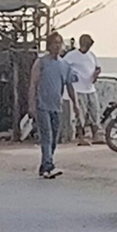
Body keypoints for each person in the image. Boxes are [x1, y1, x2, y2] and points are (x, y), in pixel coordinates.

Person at [28, 31, 80, 179]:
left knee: (54, 138)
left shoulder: (64, 65)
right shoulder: (41, 62)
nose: (57, 46)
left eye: (59, 43)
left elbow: (70, 86)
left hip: (57, 106)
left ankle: (44, 165)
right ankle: (49, 166)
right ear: (49, 45)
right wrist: (31, 104)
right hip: (42, 105)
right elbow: (33, 84)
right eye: (54, 43)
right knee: (47, 136)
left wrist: (76, 105)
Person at [63, 34, 102, 145]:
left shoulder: (92, 55)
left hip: (90, 88)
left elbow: (98, 67)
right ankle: (81, 136)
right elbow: (63, 66)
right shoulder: (71, 55)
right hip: (78, 88)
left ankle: (96, 135)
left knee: (94, 111)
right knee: (80, 113)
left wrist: (96, 74)